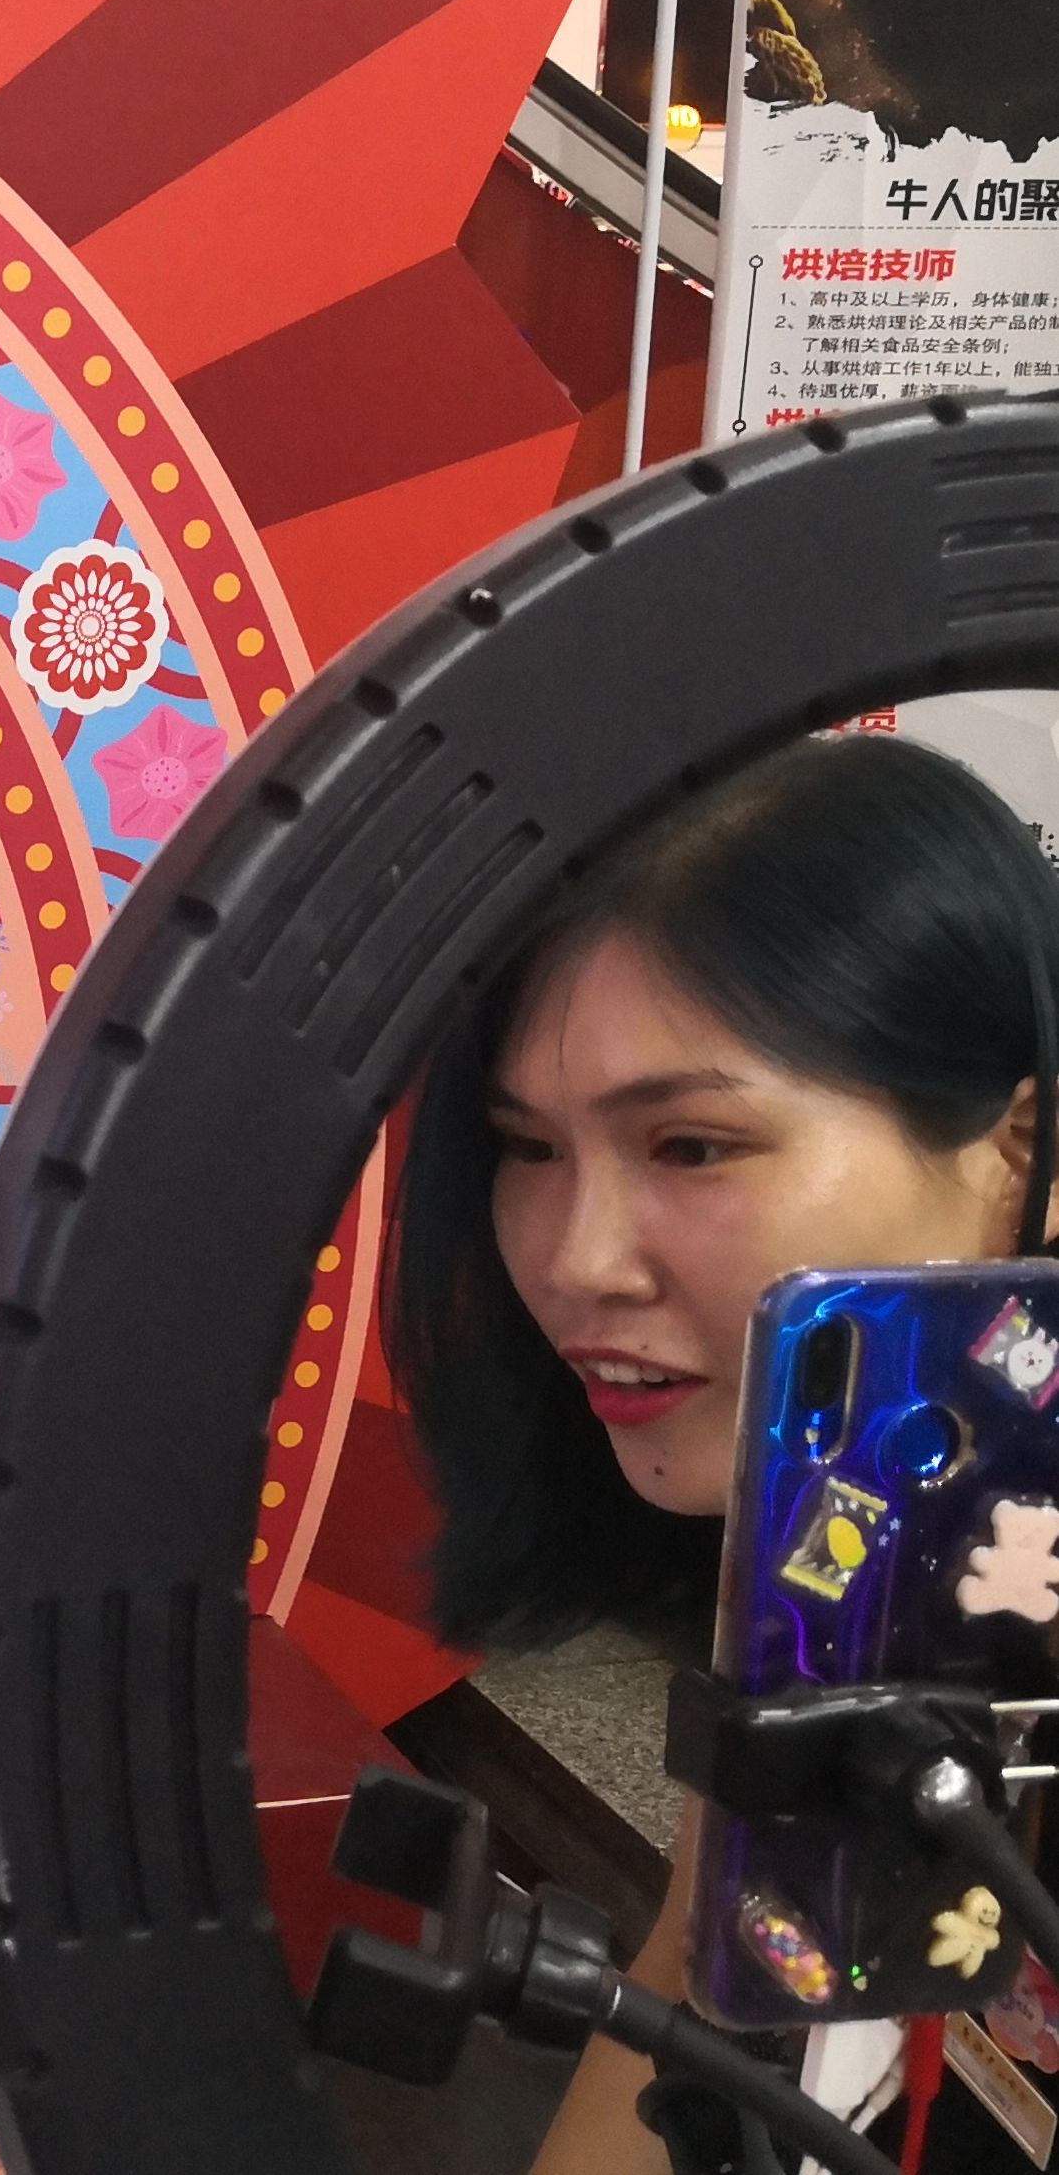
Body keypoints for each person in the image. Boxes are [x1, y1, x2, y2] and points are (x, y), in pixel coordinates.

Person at [391, 733, 1059, 2174]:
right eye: (528, 1148)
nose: (574, 1261)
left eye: (691, 1146)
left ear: (1016, 1152)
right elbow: (701, 1980)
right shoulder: (847, 1545)